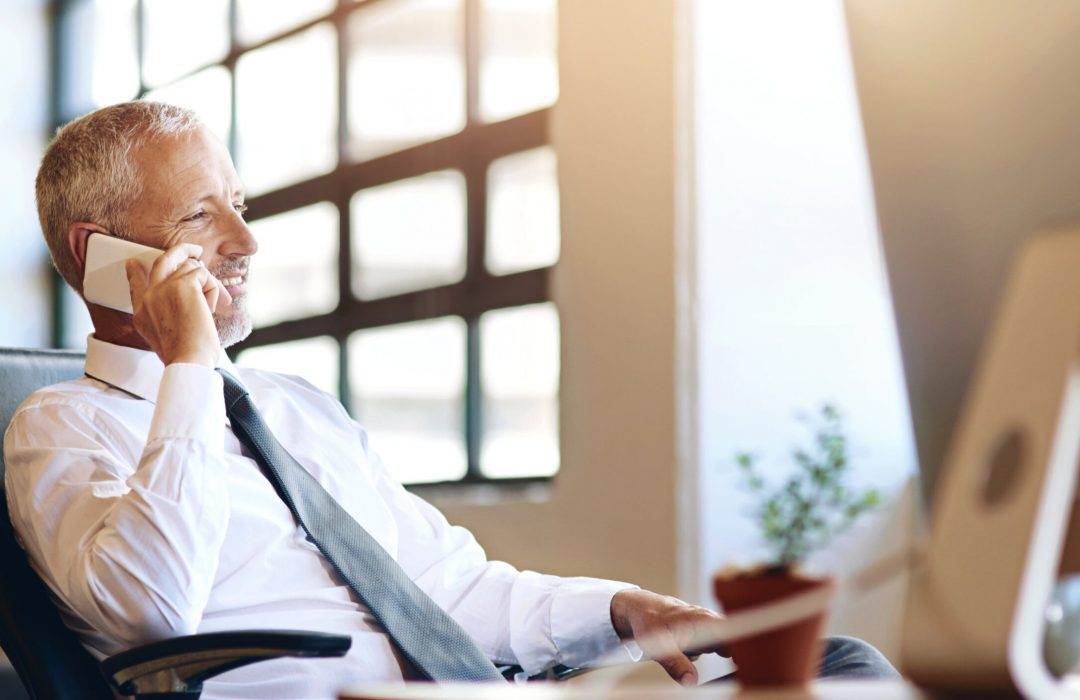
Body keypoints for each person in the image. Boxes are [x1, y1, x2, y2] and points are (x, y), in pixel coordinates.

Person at [4, 102, 896, 699]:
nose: (246, 241)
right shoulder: (60, 426)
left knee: (839, 669)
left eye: (238, 206)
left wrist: (626, 610)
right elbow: (148, 609)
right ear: (101, 255)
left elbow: (446, 586)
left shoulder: (297, 409)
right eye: (203, 215)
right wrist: (189, 369)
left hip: (470, 689)